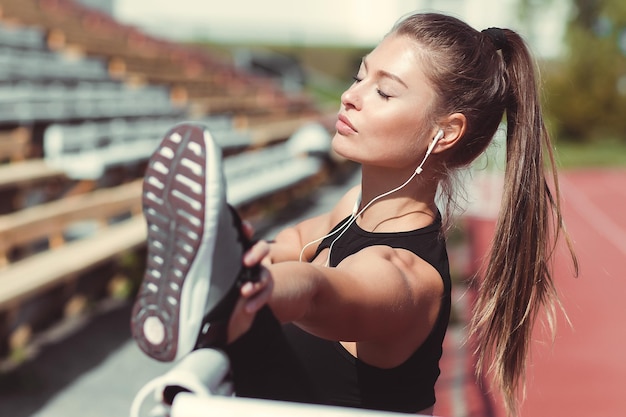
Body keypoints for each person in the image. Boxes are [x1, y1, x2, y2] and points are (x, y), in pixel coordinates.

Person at [130, 12, 577, 417]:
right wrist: (247, 252)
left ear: (445, 132)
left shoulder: (408, 276)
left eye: (383, 91)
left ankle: (223, 297)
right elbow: (291, 246)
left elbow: (317, 291)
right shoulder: (351, 211)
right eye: (359, 76)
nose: (349, 96)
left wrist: (254, 288)